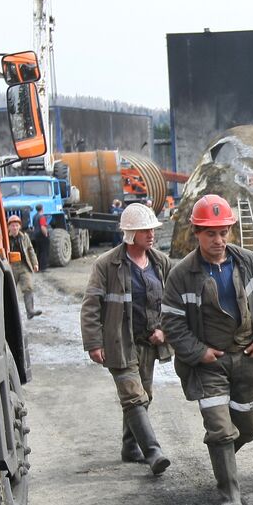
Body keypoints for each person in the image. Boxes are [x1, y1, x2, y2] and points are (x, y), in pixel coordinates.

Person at [162, 195, 253, 505]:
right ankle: (230, 491)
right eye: (210, 233)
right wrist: (198, 352)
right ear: (196, 233)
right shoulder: (181, 274)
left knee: (248, 426)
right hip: (208, 365)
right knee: (219, 428)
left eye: (223, 232)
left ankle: (224, 456)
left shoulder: (248, 262)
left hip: (246, 358)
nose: (218, 240)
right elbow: (171, 321)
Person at [80, 203, 173, 475]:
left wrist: (164, 331)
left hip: (148, 343)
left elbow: (173, 302)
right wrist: (94, 343)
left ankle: (130, 446)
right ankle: (153, 452)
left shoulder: (160, 262)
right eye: (145, 230)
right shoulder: (107, 264)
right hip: (119, 343)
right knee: (133, 397)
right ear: (130, 234)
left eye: (152, 230)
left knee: (144, 396)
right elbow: (91, 305)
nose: (151, 234)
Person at [7, 214, 42, 319]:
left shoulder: (24, 237)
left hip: (23, 265)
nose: (14, 228)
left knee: (28, 286)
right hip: (10, 266)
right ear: (9, 227)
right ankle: (9, 314)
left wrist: (35, 263)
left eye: (16, 225)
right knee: (9, 290)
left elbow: (30, 250)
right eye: (12, 226)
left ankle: (30, 310)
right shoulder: (5, 237)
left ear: (20, 227)